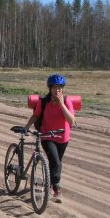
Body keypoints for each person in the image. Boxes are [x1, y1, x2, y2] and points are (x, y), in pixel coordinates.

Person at [24, 74, 76, 203]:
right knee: (55, 161)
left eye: (59, 88)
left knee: (56, 162)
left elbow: (72, 121)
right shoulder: (43, 102)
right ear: (50, 88)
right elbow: (36, 116)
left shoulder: (67, 101)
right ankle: (57, 189)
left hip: (63, 137)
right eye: (54, 87)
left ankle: (51, 184)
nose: (57, 90)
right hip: (47, 136)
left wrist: (62, 104)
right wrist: (26, 127)